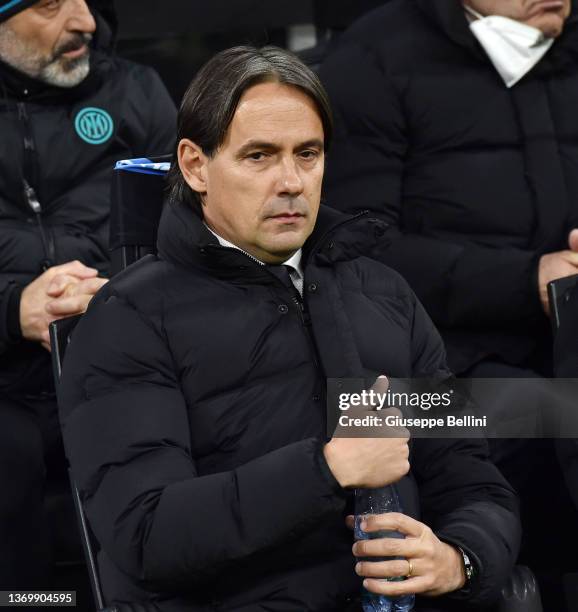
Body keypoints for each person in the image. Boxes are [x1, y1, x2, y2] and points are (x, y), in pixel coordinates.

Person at [58, 45, 520, 611]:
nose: (292, 181)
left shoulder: (385, 294)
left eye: (308, 153)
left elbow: (472, 481)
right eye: (259, 156)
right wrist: (326, 470)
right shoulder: (127, 318)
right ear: (195, 165)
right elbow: (146, 537)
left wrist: (460, 559)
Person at [319, 1, 578, 607]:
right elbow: (356, 248)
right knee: (553, 421)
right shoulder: (374, 60)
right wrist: (526, 279)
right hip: (425, 377)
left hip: (565, 345)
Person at [0, 0, 176, 589]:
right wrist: (10, 308)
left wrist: (119, 294)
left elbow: (190, 228)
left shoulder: (137, 92)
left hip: (122, 351)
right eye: (51, 5)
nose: (86, 22)